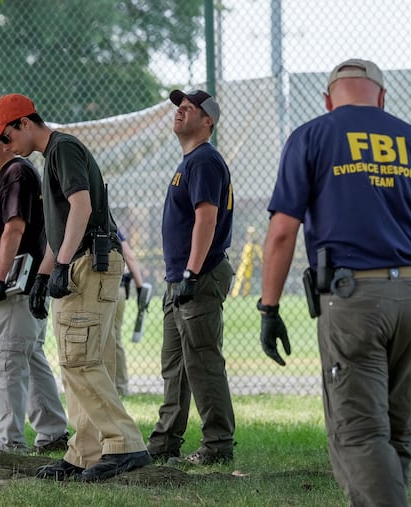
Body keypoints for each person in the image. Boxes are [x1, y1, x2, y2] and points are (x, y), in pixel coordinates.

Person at [258, 59, 411, 507]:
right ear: (382, 97)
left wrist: (268, 308)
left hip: (355, 300)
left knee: (358, 432)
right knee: (395, 429)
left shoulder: (312, 135)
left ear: (329, 99)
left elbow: (280, 233)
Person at [0, 93, 151, 482]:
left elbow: (82, 207)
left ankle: (125, 445)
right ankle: (84, 452)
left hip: (89, 263)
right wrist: (42, 276)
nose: (6, 148)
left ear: (24, 123)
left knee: (81, 361)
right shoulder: (50, 157)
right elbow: (59, 232)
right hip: (76, 261)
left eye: (6, 137)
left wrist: (61, 265)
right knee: (80, 362)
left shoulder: (62, 149)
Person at [0, 114, 68, 454]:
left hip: (15, 285)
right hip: (27, 284)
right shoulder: (19, 172)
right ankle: (51, 433)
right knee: (31, 358)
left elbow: (14, 226)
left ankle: (9, 443)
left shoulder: (15, 172)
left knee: (5, 361)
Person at [146, 89, 236, 466]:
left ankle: (218, 445)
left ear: (207, 121)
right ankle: (165, 440)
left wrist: (191, 273)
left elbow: (206, 217)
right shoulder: (191, 160)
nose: (180, 112)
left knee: (202, 361)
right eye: (179, 108)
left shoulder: (203, 161)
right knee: (176, 364)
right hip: (180, 279)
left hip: (196, 276)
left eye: (189, 109)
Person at [112, 227, 147, 396]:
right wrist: (140, 286)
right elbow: (129, 256)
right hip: (116, 287)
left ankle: (113, 386)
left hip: (95, 287)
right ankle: (120, 387)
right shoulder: (112, 226)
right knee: (114, 338)